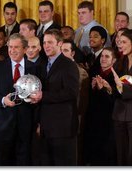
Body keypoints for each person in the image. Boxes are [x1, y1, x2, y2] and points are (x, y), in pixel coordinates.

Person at [0, 33, 37, 165]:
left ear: (24, 49)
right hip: (2, 126)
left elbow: (40, 94)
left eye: (16, 47)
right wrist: (3, 100)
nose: (12, 51)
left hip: (25, 126)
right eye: (10, 47)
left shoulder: (35, 68)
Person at [35, 29, 79, 165]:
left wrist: (44, 95)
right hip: (46, 127)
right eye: (44, 43)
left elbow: (71, 92)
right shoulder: (42, 65)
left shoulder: (68, 65)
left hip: (62, 127)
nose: (46, 46)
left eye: (50, 42)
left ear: (60, 43)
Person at [83, 47, 117, 166]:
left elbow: (112, 102)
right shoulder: (94, 72)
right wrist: (92, 88)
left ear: (113, 60)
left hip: (107, 121)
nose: (103, 59)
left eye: (107, 56)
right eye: (102, 56)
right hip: (92, 119)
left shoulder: (116, 77)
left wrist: (103, 89)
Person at [111, 29, 132, 166]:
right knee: (121, 155)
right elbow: (116, 90)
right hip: (119, 115)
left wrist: (123, 87)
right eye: (119, 42)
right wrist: (107, 86)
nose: (120, 45)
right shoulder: (119, 63)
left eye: (123, 42)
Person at [61, 39, 89, 165]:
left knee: (73, 153)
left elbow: (81, 101)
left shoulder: (81, 72)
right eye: (60, 50)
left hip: (73, 118)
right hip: (57, 119)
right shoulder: (53, 67)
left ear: (73, 53)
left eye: (65, 51)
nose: (62, 53)